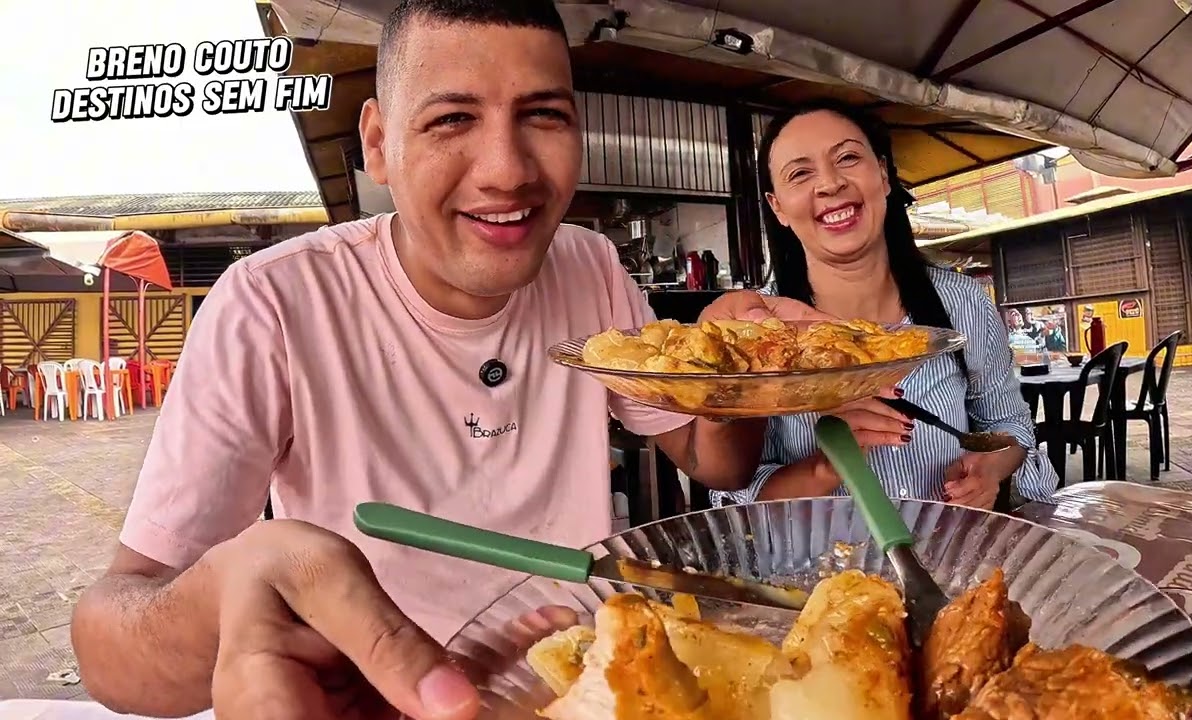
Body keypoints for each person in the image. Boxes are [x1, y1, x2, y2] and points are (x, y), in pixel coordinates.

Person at [64, 3, 813, 719]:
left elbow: (714, 463)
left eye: (543, 115)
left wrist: (727, 371)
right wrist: (221, 603)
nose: (507, 171)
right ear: (379, 141)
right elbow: (110, 650)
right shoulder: (274, 301)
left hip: (588, 683)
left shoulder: (590, 266)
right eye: (453, 118)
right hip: (387, 701)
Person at [711, 101, 1059, 511]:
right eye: (800, 174)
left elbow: (1009, 425)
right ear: (778, 207)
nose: (829, 184)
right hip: (822, 569)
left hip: (952, 555)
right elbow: (734, 497)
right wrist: (825, 467)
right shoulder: (757, 336)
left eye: (847, 158)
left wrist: (990, 470)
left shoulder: (962, 303)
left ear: (882, 174)